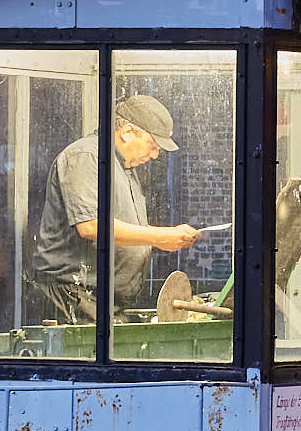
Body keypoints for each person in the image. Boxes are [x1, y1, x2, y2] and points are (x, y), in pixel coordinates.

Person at [25, 94, 203, 325]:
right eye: (152, 145)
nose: (155, 154)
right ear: (127, 132)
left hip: (102, 299)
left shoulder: (124, 166)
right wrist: (159, 236)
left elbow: (121, 228)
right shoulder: (87, 156)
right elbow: (91, 226)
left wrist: (161, 239)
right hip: (74, 296)